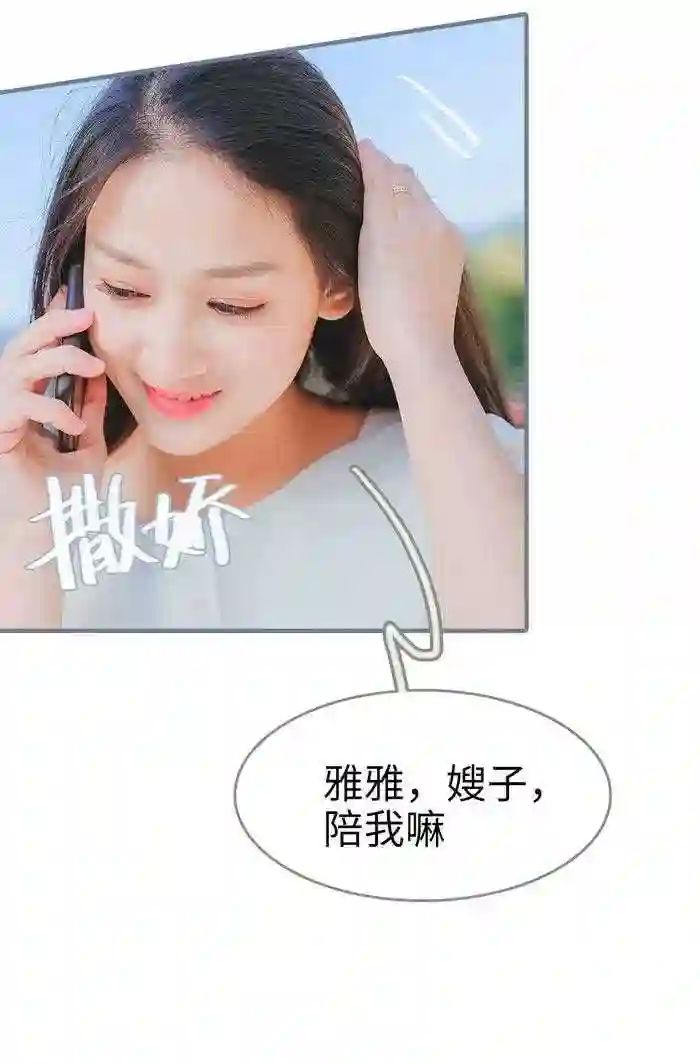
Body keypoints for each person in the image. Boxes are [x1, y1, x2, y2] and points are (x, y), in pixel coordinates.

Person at [0, 53, 524, 633]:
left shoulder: (475, 477)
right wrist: (30, 534)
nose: (170, 358)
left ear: (337, 283)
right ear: (75, 279)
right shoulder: (31, 509)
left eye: (233, 304)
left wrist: (422, 351)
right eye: (125, 290)